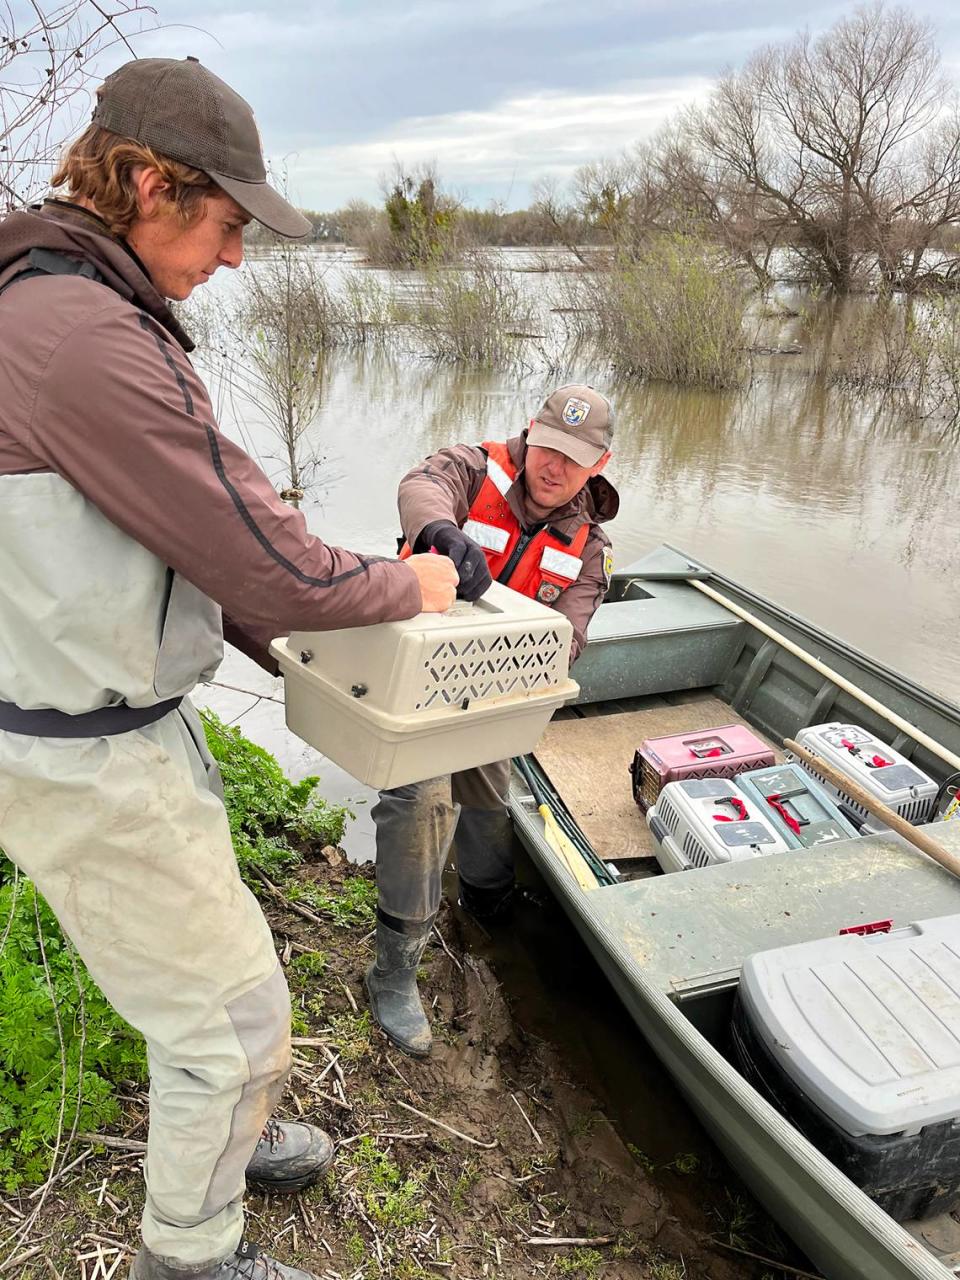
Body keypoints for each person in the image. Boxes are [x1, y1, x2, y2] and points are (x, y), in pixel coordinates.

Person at [0, 58, 459, 1280]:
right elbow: (282, 570)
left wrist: (283, 610)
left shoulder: (61, 303)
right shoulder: (81, 337)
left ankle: (227, 1131)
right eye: (228, 221)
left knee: (211, 978)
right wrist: (407, 583)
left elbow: (186, 541)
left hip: (110, 719)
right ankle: (190, 1256)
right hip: (81, 750)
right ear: (150, 184)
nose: (239, 255)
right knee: (232, 1019)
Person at [366, 385, 619, 1058]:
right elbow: (422, 485)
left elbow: (572, 630)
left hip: (494, 697)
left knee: (486, 806)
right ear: (530, 433)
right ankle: (394, 970)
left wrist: (542, 651)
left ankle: (487, 903)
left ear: (599, 463)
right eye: (548, 448)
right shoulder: (473, 468)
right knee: (418, 807)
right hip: (418, 682)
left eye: (574, 458)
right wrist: (441, 533)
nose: (554, 467)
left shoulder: (588, 547)